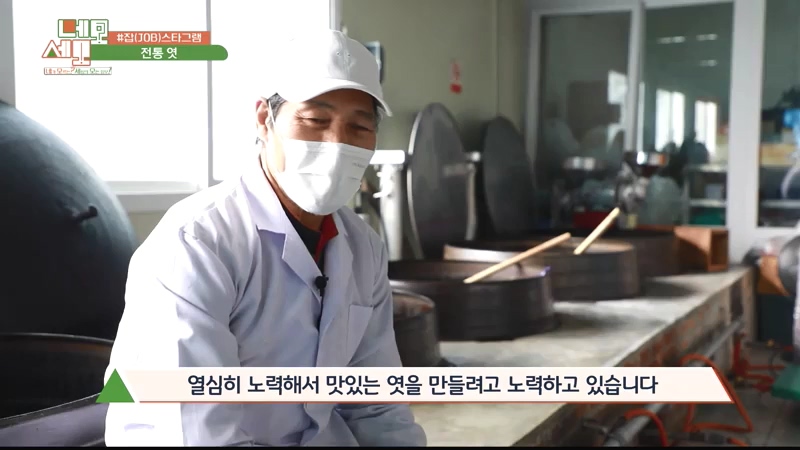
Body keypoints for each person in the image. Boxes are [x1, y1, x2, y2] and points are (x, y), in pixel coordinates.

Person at [104, 28, 427, 447]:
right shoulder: (198, 243)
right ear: (264, 118)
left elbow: (376, 403)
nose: (336, 144)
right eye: (315, 121)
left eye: (359, 127)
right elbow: (198, 432)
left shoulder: (362, 246)